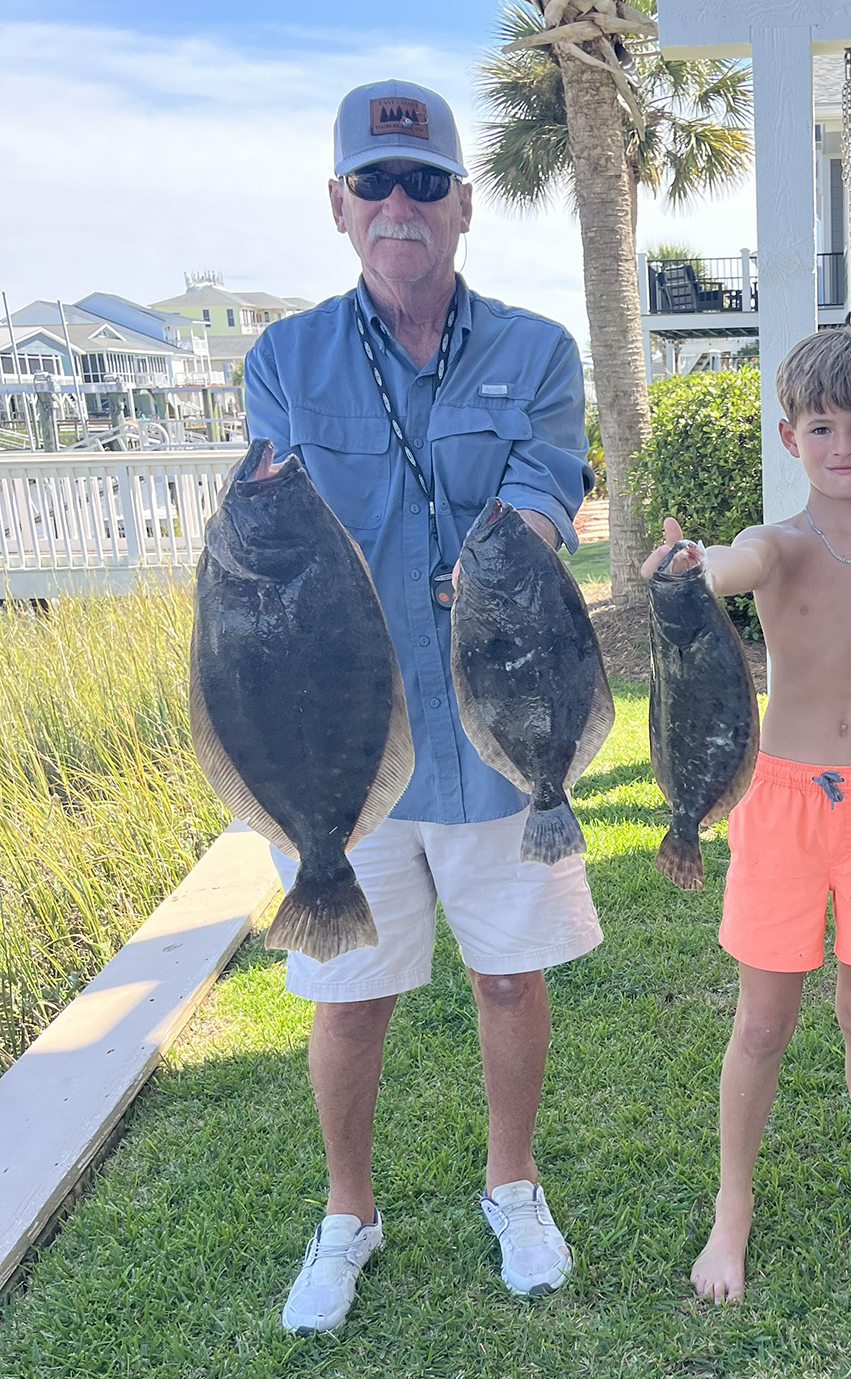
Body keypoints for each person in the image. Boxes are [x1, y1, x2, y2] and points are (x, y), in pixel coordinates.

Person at [244, 80, 600, 1333]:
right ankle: (348, 1211)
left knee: (509, 980)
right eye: (376, 182)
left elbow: (550, 484)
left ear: (463, 204)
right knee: (350, 993)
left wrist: (516, 545)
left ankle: (515, 1183)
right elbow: (269, 527)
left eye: (425, 182)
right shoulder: (284, 360)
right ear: (340, 204)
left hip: (499, 730)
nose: (400, 203)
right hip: (345, 745)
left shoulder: (538, 352)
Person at [642, 329, 851, 1302]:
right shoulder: (779, 546)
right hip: (781, 801)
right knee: (762, 1022)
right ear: (790, 436)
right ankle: (733, 1207)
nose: (844, 444)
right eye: (823, 426)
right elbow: (732, 563)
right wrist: (689, 564)